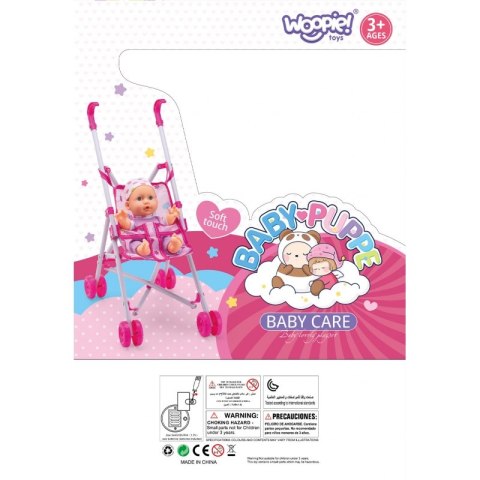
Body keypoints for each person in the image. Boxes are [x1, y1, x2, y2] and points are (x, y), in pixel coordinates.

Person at [115, 178, 183, 256]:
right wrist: (123, 219)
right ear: (128, 205)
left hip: (161, 241)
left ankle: (172, 246)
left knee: (167, 239)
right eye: (139, 198)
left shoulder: (158, 218)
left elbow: (167, 222)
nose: (146, 201)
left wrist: (172, 215)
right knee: (133, 243)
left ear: (157, 201)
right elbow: (128, 226)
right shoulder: (133, 221)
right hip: (141, 241)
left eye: (150, 198)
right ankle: (141, 249)